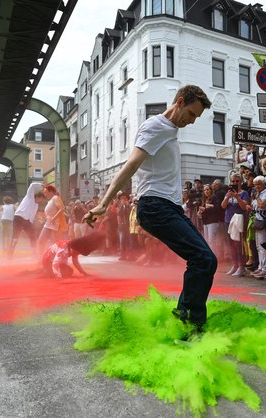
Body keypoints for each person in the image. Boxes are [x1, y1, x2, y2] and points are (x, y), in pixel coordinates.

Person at [83, 85, 214, 331]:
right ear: (179, 102)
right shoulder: (155, 127)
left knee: (206, 259)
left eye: (196, 117)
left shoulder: (170, 130)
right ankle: (189, 321)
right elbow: (130, 165)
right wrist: (104, 203)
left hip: (169, 207)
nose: (192, 121)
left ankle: (188, 317)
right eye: (191, 114)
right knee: (203, 258)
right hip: (155, 206)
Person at [221, 173, 250, 276]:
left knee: (238, 245)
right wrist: (227, 197)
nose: (235, 183)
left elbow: (244, 207)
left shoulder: (244, 193)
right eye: (233, 181)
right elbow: (223, 206)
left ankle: (242, 266)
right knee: (230, 244)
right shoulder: (228, 193)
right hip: (228, 220)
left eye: (237, 181)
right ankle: (234, 265)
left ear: (241, 182)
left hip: (239, 221)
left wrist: (237, 197)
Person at [10, 183, 44, 257]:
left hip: (27, 221)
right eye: (41, 198)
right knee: (15, 237)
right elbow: (32, 185)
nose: (41, 200)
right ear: (38, 196)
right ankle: (10, 254)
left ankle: (34, 253)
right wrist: (42, 185)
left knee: (33, 236)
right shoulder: (29, 197)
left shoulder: (36, 205)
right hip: (18, 218)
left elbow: (32, 216)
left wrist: (31, 224)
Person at [249, 175, 266, 279]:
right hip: (257, 220)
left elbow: (262, 205)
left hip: (263, 220)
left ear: (263, 184)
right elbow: (254, 206)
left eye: (258, 184)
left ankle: (265, 269)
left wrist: (257, 196)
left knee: (263, 246)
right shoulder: (258, 194)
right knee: (259, 246)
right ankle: (261, 267)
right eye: (255, 185)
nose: (257, 186)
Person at [37, 185, 65, 254]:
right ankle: (42, 258)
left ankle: (56, 258)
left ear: (51, 192)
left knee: (54, 243)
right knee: (41, 240)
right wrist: (44, 218)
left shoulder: (55, 198)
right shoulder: (50, 200)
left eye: (46, 192)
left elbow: (62, 208)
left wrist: (53, 218)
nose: (44, 194)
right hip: (48, 223)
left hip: (55, 224)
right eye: (44, 192)